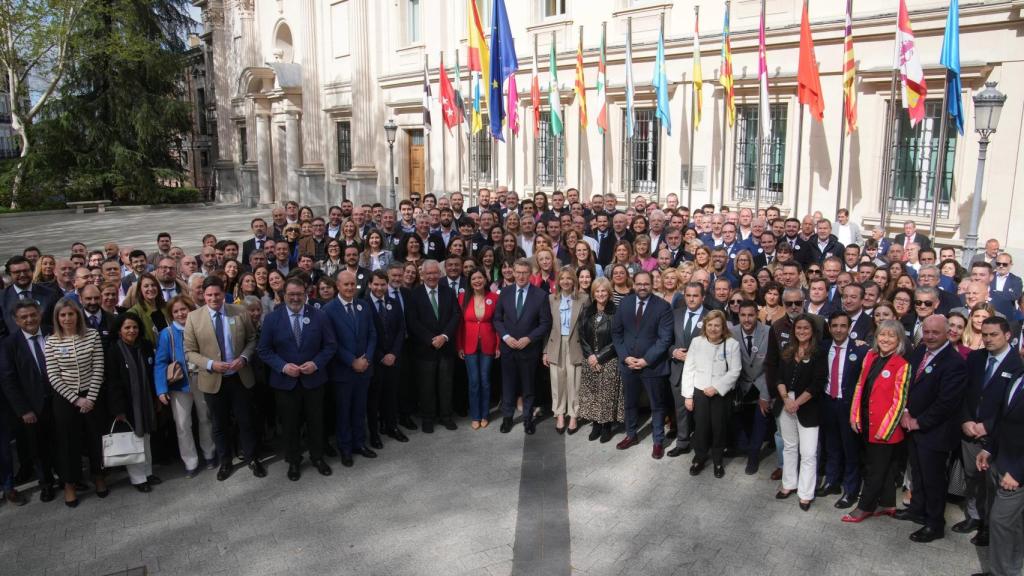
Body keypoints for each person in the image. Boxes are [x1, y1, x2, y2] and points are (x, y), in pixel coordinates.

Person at [183, 276, 265, 481]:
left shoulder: (239, 312)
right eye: (208, 295)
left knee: (246, 421)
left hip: (239, 376)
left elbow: (252, 339)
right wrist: (211, 364)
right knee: (219, 424)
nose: (213, 298)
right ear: (203, 294)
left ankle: (252, 458)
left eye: (217, 294)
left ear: (223, 293)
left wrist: (244, 358)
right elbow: (190, 352)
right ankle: (225, 461)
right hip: (213, 379)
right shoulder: (194, 318)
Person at [895, 314, 967, 542]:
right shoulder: (920, 351)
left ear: (948, 333)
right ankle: (917, 510)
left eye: (935, 332)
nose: (930, 336)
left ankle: (935, 524)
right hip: (913, 426)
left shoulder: (954, 363)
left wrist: (919, 422)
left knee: (934, 479)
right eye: (926, 332)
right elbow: (907, 383)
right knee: (918, 472)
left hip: (935, 432)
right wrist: (906, 413)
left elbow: (946, 403)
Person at [258, 277, 336, 480]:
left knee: (316, 422)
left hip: (314, 380)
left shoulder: (319, 316)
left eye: (299, 294)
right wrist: (283, 367)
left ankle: (317, 457)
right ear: (284, 295)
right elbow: (264, 350)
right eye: (291, 294)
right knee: (290, 424)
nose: (295, 298)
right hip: (285, 383)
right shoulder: (272, 319)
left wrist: (316, 363)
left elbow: (330, 346)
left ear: (306, 294)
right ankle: (293, 460)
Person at [956, 316, 1022, 546]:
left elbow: (1012, 405)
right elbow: (964, 391)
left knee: (991, 485)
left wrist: (988, 425)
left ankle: (988, 526)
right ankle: (974, 516)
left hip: (996, 435)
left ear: (1007, 335)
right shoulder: (975, 357)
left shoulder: (1017, 365)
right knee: (972, 478)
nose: (988, 339)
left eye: (993, 334)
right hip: (969, 429)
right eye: (984, 334)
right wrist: (965, 419)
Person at [843, 319, 910, 523]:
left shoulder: (902, 364)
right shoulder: (870, 356)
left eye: (891, 335)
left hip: (885, 428)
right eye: (882, 334)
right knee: (887, 467)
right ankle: (887, 503)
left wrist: (886, 429)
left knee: (875, 470)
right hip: (866, 421)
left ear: (899, 339)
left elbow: (900, 401)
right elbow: (860, 387)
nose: (886, 339)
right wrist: (854, 415)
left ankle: (865, 507)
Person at [45, 298, 107, 507]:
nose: (67, 318)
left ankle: (98, 476)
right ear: (57, 318)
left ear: (77, 315)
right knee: (68, 443)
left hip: (91, 395)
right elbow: (53, 375)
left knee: (94, 439)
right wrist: (75, 399)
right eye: (63, 315)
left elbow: (99, 367)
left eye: (71, 314)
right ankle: (70, 484)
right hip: (66, 399)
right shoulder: (52, 341)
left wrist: (89, 397)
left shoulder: (92, 335)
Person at [611, 271, 674, 459]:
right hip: (628, 364)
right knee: (630, 403)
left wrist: (647, 360)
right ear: (634, 284)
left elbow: (665, 339)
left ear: (652, 284)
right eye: (639, 284)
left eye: (646, 284)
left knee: (657, 405)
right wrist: (625, 357)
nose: (642, 287)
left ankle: (658, 441)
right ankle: (631, 435)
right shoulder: (625, 303)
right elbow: (616, 332)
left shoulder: (663, 307)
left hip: (652, 365)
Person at [154, 296, 216, 477]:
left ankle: (209, 452)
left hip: (202, 379)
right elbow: (160, 363)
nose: (181, 313)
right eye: (176, 311)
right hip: (179, 384)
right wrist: (161, 389)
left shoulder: (200, 328)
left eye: (184, 309)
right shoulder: (167, 333)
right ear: (171, 315)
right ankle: (190, 461)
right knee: (182, 424)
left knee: (206, 418)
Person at [0, 300, 55, 503]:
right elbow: (8, 380)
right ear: (16, 320)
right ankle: (46, 484)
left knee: (61, 442)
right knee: (38, 448)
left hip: (59, 399)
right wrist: (23, 410)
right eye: (24, 317)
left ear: (39, 314)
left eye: (33, 315)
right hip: (32, 407)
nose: (29, 319)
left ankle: (69, 478)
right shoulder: (9, 344)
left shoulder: (53, 332)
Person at [323, 270, 377, 467]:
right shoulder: (328, 310)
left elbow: (372, 334)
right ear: (337, 286)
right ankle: (345, 448)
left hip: (364, 369)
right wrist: (352, 361)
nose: (350, 288)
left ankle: (359, 443)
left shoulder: (363, 306)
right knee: (344, 411)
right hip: (343, 371)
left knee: (359, 409)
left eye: (353, 284)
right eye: (346, 285)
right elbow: (331, 342)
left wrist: (367, 358)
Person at [493, 258, 552, 435]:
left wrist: (529, 338)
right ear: (513, 272)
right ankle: (507, 418)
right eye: (517, 272)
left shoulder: (540, 295)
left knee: (528, 387)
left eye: (524, 272)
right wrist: (505, 336)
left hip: (529, 349)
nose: (520, 276)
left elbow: (545, 323)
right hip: (508, 348)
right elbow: (497, 319)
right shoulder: (504, 293)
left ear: (530, 274)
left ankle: (528, 418)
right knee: (509, 385)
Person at [817, 311, 869, 509]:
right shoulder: (822, 347)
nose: (838, 330)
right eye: (835, 326)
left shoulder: (860, 350)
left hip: (848, 406)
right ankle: (832, 482)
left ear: (849, 328)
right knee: (831, 446)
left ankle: (851, 489)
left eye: (843, 326)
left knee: (850, 449)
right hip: (828, 403)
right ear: (829, 328)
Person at [774, 314, 826, 510]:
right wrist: (786, 399)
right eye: (798, 328)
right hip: (786, 403)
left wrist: (797, 403)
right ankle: (788, 484)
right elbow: (778, 377)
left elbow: (817, 384)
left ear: (812, 331)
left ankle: (805, 494)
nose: (802, 331)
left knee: (809, 452)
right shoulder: (788, 350)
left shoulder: (819, 353)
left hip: (808, 406)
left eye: (806, 328)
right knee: (789, 447)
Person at [975, 368, 1024, 576]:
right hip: (999, 459)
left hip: (1015, 471)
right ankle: (1007, 569)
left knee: (1000, 522)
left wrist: (1018, 472)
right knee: (1013, 525)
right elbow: (1002, 419)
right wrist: (988, 449)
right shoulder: (1017, 374)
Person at [681, 309, 741, 477]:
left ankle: (718, 460)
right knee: (700, 427)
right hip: (700, 392)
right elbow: (689, 369)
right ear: (705, 326)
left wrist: (717, 387)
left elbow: (735, 371)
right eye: (710, 325)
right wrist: (688, 395)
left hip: (720, 394)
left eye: (717, 325)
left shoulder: (731, 344)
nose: (713, 329)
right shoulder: (696, 342)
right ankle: (699, 458)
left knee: (719, 427)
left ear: (723, 328)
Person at [105, 313, 160, 492]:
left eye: (135, 327)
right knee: (134, 439)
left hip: (146, 401)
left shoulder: (145, 346)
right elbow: (112, 382)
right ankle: (138, 479)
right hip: (127, 405)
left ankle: (148, 472)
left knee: (146, 438)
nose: (132, 331)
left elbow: (152, 374)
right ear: (120, 330)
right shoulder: (114, 351)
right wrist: (118, 409)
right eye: (127, 327)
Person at [404, 260, 460, 433]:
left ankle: (446, 416)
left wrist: (444, 336)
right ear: (423, 275)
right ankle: (428, 418)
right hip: (424, 349)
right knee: (426, 386)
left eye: (435, 273)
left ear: (440, 274)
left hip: (445, 347)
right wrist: (430, 339)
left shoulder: (449, 292)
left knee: (445, 384)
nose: (432, 276)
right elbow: (412, 321)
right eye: (428, 273)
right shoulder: (414, 294)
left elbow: (456, 315)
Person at [543, 267, 589, 434]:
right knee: (557, 381)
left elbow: (587, 327)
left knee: (574, 382)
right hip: (556, 344)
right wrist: (545, 351)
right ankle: (560, 413)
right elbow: (547, 327)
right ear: (558, 281)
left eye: (569, 278)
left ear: (574, 281)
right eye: (562, 278)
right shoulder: (551, 299)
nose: (566, 281)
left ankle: (574, 415)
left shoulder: (584, 299)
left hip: (575, 345)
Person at [667, 282, 710, 457]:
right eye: (689, 295)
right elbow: (665, 340)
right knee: (681, 410)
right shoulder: (675, 314)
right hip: (678, 371)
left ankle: (702, 447)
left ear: (703, 297)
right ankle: (683, 442)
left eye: (696, 295)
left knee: (701, 413)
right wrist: (673, 352)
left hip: (701, 373)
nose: (691, 299)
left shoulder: (711, 316)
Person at [578, 277, 623, 443]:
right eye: (597, 291)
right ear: (593, 293)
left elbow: (617, 338)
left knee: (607, 393)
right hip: (589, 359)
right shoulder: (587, 310)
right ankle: (596, 423)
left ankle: (606, 426)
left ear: (609, 293)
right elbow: (581, 335)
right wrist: (590, 355)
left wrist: (599, 357)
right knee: (593, 393)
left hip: (608, 359)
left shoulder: (615, 311)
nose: (601, 294)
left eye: (604, 290)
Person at [730, 300, 771, 474]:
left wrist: (766, 394)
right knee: (743, 423)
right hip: (741, 386)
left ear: (757, 315)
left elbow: (772, 366)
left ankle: (754, 456)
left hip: (762, 384)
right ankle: (745, 448)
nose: (747, 319)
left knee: (760, 422)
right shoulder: (731, 333)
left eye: (751, 315)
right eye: (743, 315)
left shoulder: (768, 332)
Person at [457, 269, 499, 430]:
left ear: (485, 279)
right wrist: (459, 346)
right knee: (474, 382)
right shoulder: (463, 298)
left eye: (480, 277)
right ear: (470, 282)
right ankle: (475, 415)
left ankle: (484, 414)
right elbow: (459, 325)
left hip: (488, 344)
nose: (477, 281)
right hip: (469, 345)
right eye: (474, 278)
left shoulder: (494, 298)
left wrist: (497, 345)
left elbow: (497, 324)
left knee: (485, 381)